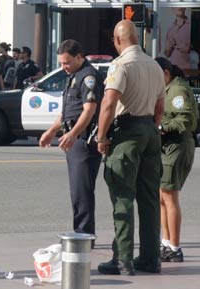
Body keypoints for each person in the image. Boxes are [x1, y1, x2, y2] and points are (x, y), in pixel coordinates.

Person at [96, 20, 165, 276]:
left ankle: (123, 259)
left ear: (117, 40)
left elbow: (108, 103)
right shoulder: (156, 66)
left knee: (123, 196)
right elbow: (160, 108)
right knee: (149, 198)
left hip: (127, 132)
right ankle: (150, 258)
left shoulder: (121, 65)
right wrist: (150, 128)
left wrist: (101, 137)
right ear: (138, 38)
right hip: (150, 130)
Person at [39, 39, 104, 240]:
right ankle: (81, 232)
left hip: (84, 141)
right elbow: (68, 112)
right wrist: (51, 132)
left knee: (82, 191)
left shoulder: (88, 77)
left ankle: (84, 235)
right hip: (74, 139)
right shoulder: (74, 76)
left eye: (66, 62)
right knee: (77, 190)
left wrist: (73, 133)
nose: (63, 67)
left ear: (79, 57)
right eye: (61, 63)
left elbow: (89, 109)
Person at [155, 57, 199, 263]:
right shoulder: (168, 89)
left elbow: (185, 120)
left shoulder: (178, 91)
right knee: (162, 196)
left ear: (165, 73)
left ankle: (175, 247)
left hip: (177, 145)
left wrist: (162, 128)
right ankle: (166, 242)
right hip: (168, 146)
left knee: (170, 196)